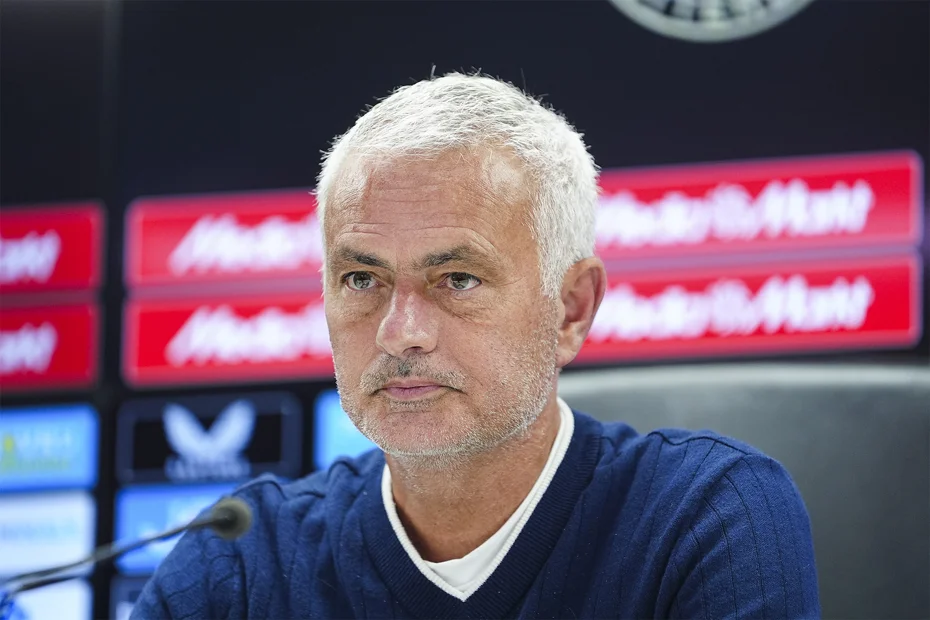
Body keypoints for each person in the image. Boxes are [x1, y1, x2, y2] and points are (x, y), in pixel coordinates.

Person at [131, 73, 820, 619]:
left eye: (457, 279)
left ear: (571, 310)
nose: (400, 331)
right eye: (362, 279)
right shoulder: (239, 558)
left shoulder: (707, 518)